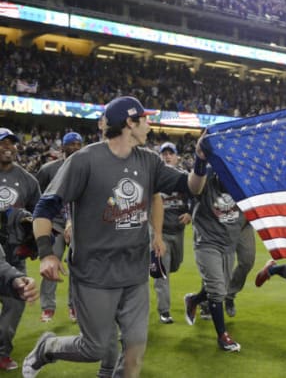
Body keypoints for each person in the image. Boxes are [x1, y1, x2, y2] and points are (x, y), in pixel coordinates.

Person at [24, 96, 208, 378]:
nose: (149, 124)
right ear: (129, 123)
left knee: (134, 357)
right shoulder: (84, 160)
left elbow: (191, 187)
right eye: (144, 119)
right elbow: (44, 207)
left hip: (134, 275)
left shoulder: (149, 160)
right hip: (94, 274)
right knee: (94, 348)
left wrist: (200, 160)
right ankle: (47, 347)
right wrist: (47, 252)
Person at [182, 167, 253, 352]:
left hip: (228, 243)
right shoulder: (205, 178)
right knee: (217, 290)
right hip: (207, 242)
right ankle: (222, 336)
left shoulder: (243, 183)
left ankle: (194, 300)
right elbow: (194, 187)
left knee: (220, 287)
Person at [0, 127, 41, 371]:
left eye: (12, 143)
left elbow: (41, 214)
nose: (8, 147)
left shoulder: (28, 180)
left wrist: (34, 236)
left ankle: (2, 351)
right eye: (2, 142)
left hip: (14, 256)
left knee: (15, 305)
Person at [35, 132, 84, 323]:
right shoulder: (48, 170)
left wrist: (73, 221)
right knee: (51, 262)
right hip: (55, 224)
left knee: (77, 267)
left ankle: (74, 306)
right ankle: (48, 307)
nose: (76, 147)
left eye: (79, 144)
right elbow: (38, 200)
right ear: (62, 147)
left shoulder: (85, 168)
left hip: (78, 224)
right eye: (72, 144)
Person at [153, 142, 193, 324]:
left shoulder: (184, 178)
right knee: (163, 273)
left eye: (171, 153)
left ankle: (154, 265)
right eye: (164, 154)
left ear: (177, 157)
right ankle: (164, 310)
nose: (167, 156)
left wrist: (190, 212)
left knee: (175, 265)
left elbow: (196, 196)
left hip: (177, 232)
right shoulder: (153, 178)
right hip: (158, 233)